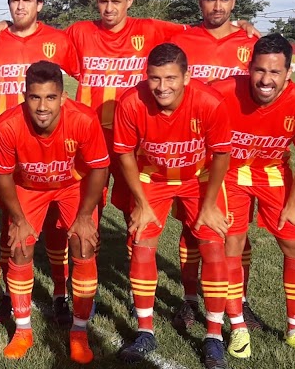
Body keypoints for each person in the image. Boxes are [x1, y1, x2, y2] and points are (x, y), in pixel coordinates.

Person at [0, 0, 81, 325]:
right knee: (10, 224)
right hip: (6, 147)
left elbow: (83, 77)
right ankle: (6, 287)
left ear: (40, 5)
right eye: (14, 1)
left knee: (57, 227)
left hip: (51, 150)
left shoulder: (59, 41)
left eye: (27, 1)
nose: (20, 7)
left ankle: (61, 292)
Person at [114, 43, 232, 369]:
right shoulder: (131, 101)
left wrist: (209, 205)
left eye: (170, 78)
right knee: (141, 243)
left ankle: (212, 336)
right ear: (146, 76)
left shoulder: (209, 102)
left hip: (199, 178)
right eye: (154, 78)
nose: (162, 87)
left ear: (187, 77)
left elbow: (221, 154)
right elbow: (125, 154)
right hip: (152, 178)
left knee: (213, 246)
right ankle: (145, 330)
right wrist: (139, 202)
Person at [211, 34, 295, 361]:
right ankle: (239, 326)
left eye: (275, 72)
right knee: (232, 243)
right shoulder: (223, 91)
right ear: (249, 68)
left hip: (273, 175)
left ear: (288, 73)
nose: (265, 79)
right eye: (259, 70)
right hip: (230, 174)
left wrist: (292, 204)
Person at [0, 61, 109, 363]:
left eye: (50, 98)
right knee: (18, 248)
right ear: (24, 96)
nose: (42, 107)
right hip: (28, 188)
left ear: (63, 96)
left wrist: (84, 216)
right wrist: (16, 220)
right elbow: (1, 175)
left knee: (84, 244)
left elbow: (99, 167)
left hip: (72, 185)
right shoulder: (7, 125)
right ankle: (23, 330)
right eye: (35, 97)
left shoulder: (83, 119)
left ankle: (79, 331)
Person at [170, 0, 261, 331]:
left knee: (237, 231)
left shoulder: (250, 42)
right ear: (200, 3)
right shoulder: (183, 39)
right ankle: (190, 300)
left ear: (234, 2)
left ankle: (240, 301)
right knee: (193, 227)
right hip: (191, 149)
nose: (218, 6)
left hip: (236, 151)